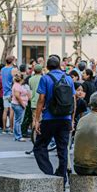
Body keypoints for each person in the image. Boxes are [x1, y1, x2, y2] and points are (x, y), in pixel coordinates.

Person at [33, 55, 76, 185]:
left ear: (47, 67)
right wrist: (72, 120)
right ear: (59, 66)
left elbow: (41, 100)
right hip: (65, 118)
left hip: (49, 118)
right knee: (62, 149)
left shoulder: (45, 79)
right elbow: (73, 100)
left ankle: (49, 173)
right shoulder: (68, 78)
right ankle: (62, 179)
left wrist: (36, 119)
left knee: (40, 146)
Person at [11, 73, 31, 142]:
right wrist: (23, 104)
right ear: (21, 79)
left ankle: (17, 136)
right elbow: (17, 96)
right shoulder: (17, 86)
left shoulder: (17, 85)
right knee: (18, 121)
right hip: (18, 105)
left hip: (16, 104)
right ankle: (18, 136)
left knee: (17, 120)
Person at [1, 56, 16, 134]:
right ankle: (11, 128)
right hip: (11, 92)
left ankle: (3, 128)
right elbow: (15, 80)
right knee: (11, 111)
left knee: (5, 110)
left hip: (4, 92)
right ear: (12, 61)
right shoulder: (13, 70)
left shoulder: (2, 69)